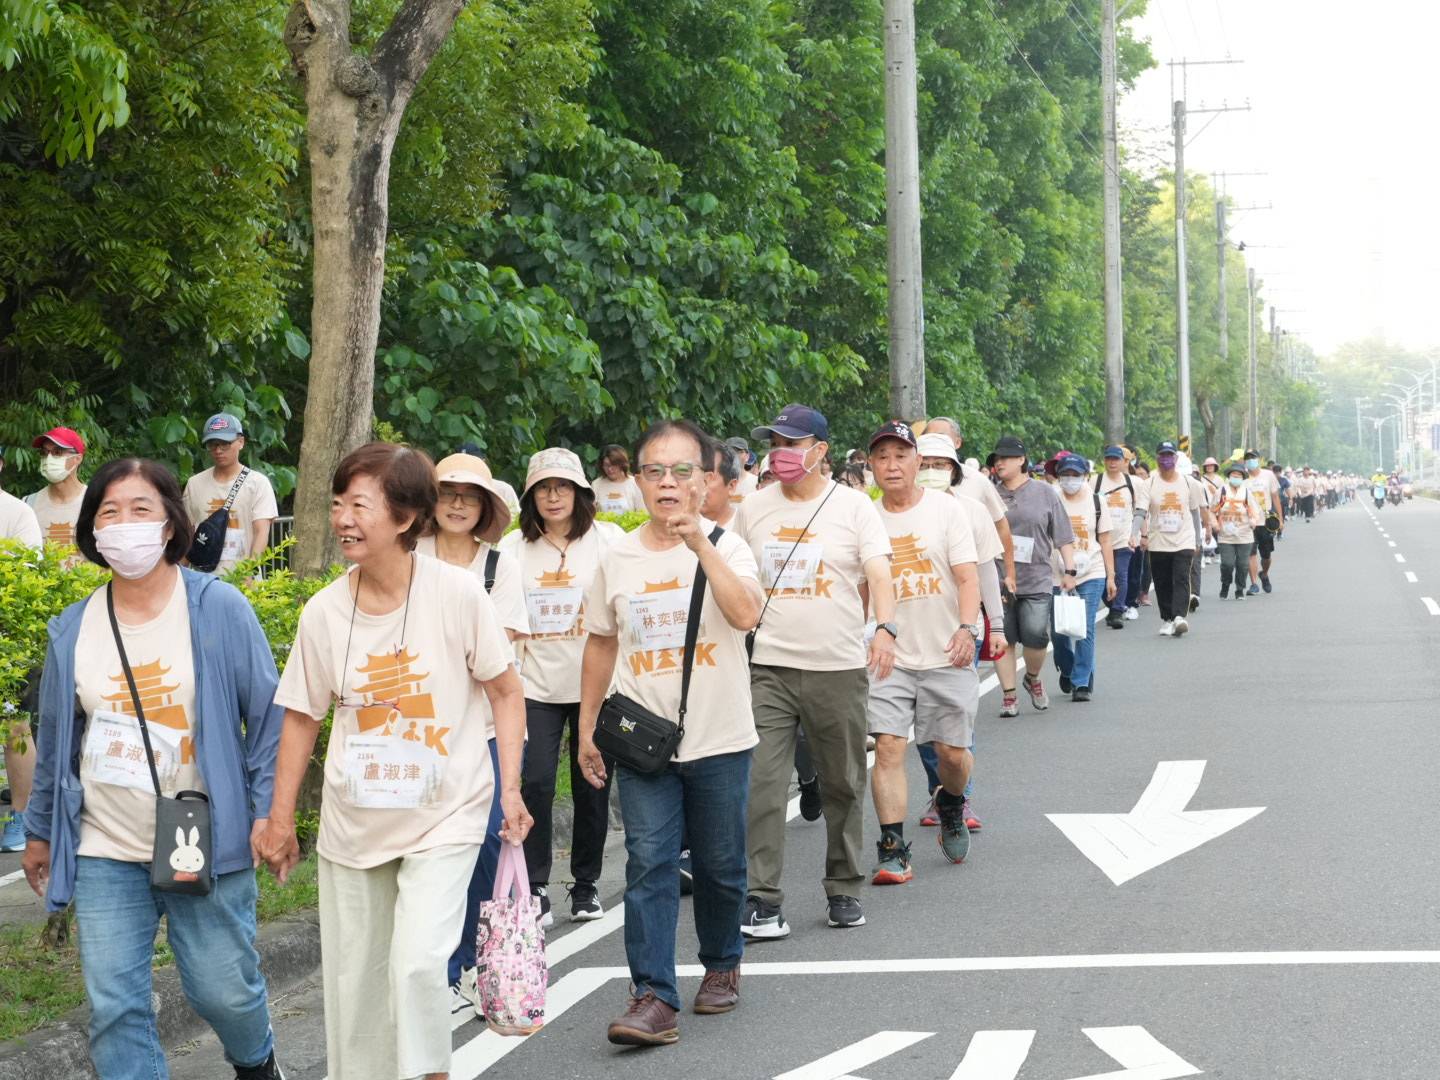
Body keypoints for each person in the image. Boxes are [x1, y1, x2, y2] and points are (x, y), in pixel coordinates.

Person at [256, 442, 530, 1080]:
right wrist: (278, 819)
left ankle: (431, 1072)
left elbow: (505, 690)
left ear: (405, 518)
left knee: (414, 965)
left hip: (447, 809)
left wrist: (509, 789)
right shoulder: (324, 611)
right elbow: (301, 715)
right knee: (357, 988)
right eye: (336, 504)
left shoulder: (459, 594)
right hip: (355, 823)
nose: (343, 518)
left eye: (360, 505)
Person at [21, 458, 286, 1080]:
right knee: (115, 1006)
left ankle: (257, 1063)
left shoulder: (218, 608)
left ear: (171, 523)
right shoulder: (73, 627)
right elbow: (57, 737)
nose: (124, 525)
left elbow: (269, 720)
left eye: (141, 509)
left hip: (202, 833)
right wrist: (39, 830)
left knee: (223, 990)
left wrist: (267, 812)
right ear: (92, 530)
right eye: (109, 512)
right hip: (105, 842)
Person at [575, 420, 763, 1046]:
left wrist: (699, 545)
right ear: (636, 480)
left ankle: (722, 962)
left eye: (682, 472)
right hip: (645, 742)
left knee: (719, 863)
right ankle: (653, 995)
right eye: (654, 471)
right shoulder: (617, 556)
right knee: (649, 861)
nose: (667, 483)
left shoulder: (728, 548)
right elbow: (602, 642)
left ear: (707, 480)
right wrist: (586, 727)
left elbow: (745, 615)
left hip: (721, 737)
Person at [734, 404, 894, 937]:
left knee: (843, 782)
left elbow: (879, 569)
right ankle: (762, 896)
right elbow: (733, 575)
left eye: (793, 443)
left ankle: (844, 887)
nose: (781, 452)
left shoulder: (854, 508)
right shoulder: (753, 508)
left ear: (820, 451)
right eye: (775, 441)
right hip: (768, 667)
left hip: (837, 666)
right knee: (761, 782)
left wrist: (886, 627)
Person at [413, 453, 531, 1009]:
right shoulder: (409, 555)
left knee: (484, 843)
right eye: (447, 492)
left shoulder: (498, 565)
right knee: (425, 847)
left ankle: (465, 962)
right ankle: (433, 962)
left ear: (484, 506)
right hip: (418, 731)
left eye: (470, 494)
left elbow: (499, 650)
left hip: (485, 726)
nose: (458, 503)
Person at [499, 448, 625, 934]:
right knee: (534, 782)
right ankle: (534, 886)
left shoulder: (609, 541)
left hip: (598, 684)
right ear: (531, 496)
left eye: (563, 487)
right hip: (534, 685)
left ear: (580, 493)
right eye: (544, 488)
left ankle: (586, 882)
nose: (554, 496)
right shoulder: (512, 549)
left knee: (593, 783)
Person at [866, 423, 980, 883]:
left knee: (951, 756)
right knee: (889, 746)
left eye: (900, 455)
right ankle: (892, 847)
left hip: (945, 651)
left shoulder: (946, 511)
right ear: (870, 465)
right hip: (887, 655)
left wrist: (968, 629)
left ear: (917, 461)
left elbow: (967, 577)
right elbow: (857, 587)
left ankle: (950, 801)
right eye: (882, 457)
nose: (891, 465)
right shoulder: (864, 516)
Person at [914, 432, 1004, 831]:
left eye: (940, 465)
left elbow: (985, 571)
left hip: (962, 629)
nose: (932, 471)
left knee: (956, 719)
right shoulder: (890, 511)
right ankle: (940, 789)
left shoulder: (972, 511)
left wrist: (995, 625)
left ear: (954, 470)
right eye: (926, 464)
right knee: (921, 724)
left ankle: (958, 797)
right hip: (911, 629)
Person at [990, 436, 1076, 716]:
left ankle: (1033, 677)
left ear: (1021, 460)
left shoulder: (1045, 493)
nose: (999, 463)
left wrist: (1070, 569)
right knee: (1004, 638)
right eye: (996, 460)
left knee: (1037, 634)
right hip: (999, 577)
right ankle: (1009, 695)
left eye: (1005, 458)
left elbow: (1062, 534)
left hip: (1037, 575)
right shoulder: (990, 495)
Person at [923, 417, 1018, 608]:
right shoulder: (908, 486)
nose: (935, 441)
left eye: (941, 437)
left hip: (970, 590)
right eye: (928, 436)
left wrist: (1009, 574)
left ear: (957, 442)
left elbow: (1001, 526)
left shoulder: (977, 481)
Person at [0, 445, 42, 853]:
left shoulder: (17, 513)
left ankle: (21, 814)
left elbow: (28, 577)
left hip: (7, 635)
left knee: (15, 726)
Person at [1051, 453, 1115, 702]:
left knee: (1084, 628)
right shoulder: (1052, 498)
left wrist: (1111, 576)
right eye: (1065, 475)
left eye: (1075, 475)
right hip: (1057, 572)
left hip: (1092, 571)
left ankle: (1081, 682)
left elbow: (1106, 539)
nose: (1070, 480)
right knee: (1058, 631)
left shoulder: (1097, 501)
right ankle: (1067, 668)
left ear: (1085, 476)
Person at [182, 413, 279, 574]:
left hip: (242, 578)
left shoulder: (257, 483)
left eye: (225, 444)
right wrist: (180, 573)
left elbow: (261, 532)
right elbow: (187, 533)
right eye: (212, 444)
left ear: (241, 442)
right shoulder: (194, 484)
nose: (218, 450)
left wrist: (249, 573)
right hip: (202, 579)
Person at [1141, 441, 1203, 637]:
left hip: (1183, 539)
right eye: (1162, 455)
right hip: (1158, 541)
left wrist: (1198, 539)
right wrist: (1136, 534)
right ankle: (1167, 618)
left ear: (1176, 458)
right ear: (1157, 458)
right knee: (1162, 581)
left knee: (1181, 577)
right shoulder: (1149, 483)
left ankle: (1179, 617)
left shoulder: (1189, 483)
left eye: (1169, 455)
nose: (1166, 459)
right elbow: (1140, 511)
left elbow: (1195, 513)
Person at [1096, 446, 1143, 630]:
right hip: (1100, 538)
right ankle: (1110, 604)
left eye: (1116, 459)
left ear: (1124, 462)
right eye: (1109, 459)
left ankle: (1116, 611)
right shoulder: (1095, 481)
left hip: (1124, 537)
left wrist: (1138, 534)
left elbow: (1140, 510)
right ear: (1104, 461)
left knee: (1121, 575)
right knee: (1103, 576)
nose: (1112, 462)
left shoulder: (1134, 483)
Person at [26, 425, 87, 548]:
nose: (48, 459)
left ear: (77, 459)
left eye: (57, 452)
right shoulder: (28, 504)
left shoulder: (98, 502)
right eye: (43, 453)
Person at [1214, 461, 1263, 599]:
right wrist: (1215, 525)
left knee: (1242, 564)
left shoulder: (1246, 493)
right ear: (1229, 476)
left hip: (1244, 534)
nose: (1236, 477)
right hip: (1226, 535)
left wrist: (1254, 520)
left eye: (1238, 475)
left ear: (1242, 478)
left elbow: (1255, 511)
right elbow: (1212, 511)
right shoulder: (1222, 492)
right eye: (1233, 475)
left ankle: (1240, 589)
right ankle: (1225, 584)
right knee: (1227, 564)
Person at [1246, 451, 1284, 595]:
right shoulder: (1242, 477)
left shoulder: (1268, 475)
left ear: (1259, 459)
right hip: (1249, 522)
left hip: (1266, 521)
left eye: (1253, 458)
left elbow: (1275, 497)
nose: (1250, 461)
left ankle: (1264, 574)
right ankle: (1254, 583)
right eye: (1247, 458)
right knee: (1251, 552)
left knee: (1266, 556)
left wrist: (1280, 518)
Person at [594, 444, 644, 514]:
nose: (610, 469)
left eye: (614, 465)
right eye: (606, 465)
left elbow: (642, 513)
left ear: (622, 464)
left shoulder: (635, 483)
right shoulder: (596, 484)